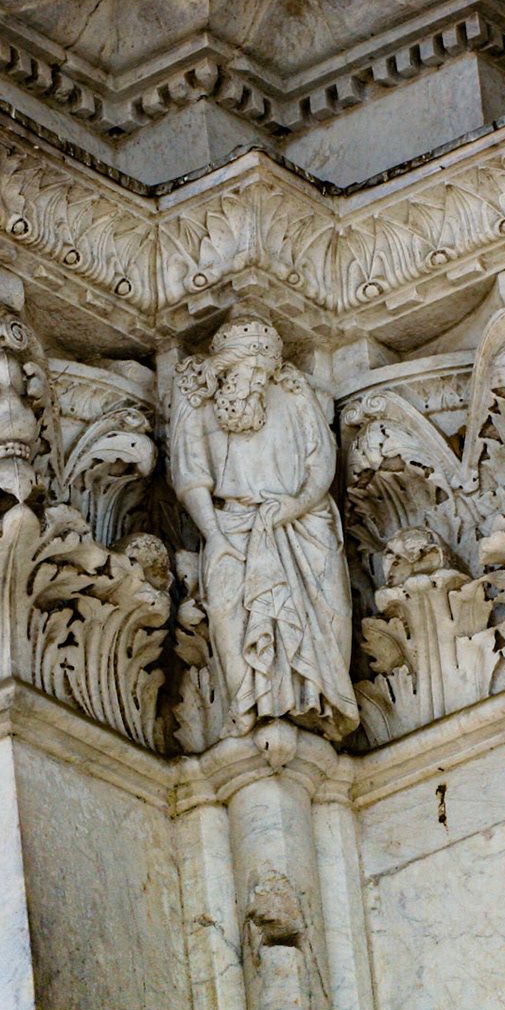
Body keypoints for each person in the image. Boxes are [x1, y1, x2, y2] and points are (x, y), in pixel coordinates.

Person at [170, 314, 355, 741]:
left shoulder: (292, 392)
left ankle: (318, 700)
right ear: (227, 367)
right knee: (227, 612)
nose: (257, 381)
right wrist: (216, 537)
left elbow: (321, 461)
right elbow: (190, 478)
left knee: (330, 609)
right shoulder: (197, 399)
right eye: (250, 370)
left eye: (264, 373)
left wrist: (297, 504)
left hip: (303, 522)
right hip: (230, 526)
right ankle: (248, 705)